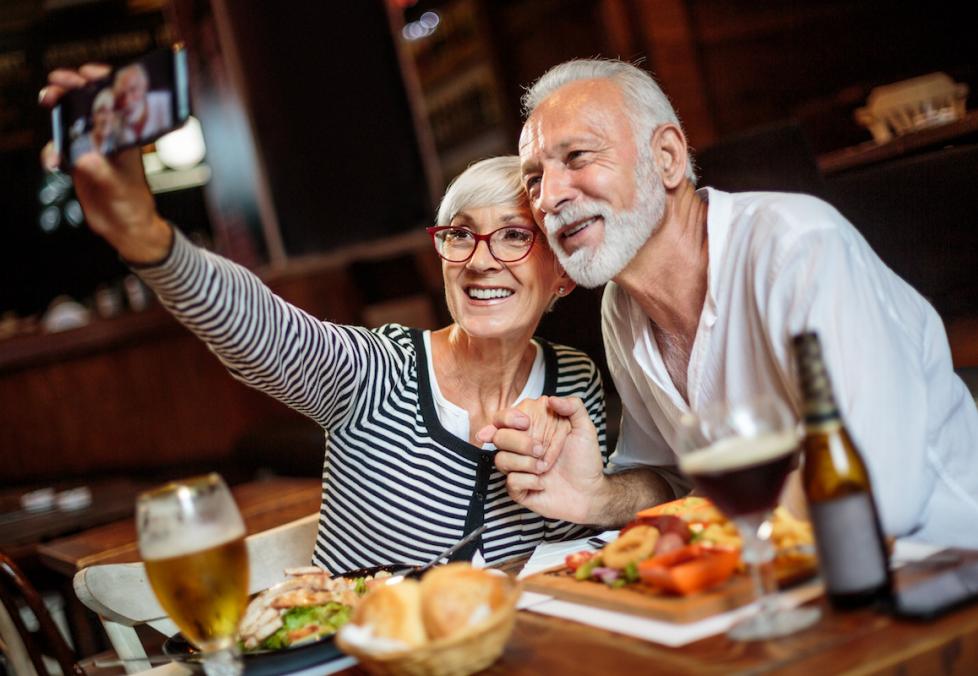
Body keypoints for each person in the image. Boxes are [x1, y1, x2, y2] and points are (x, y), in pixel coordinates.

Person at [40, 65, 607, 573]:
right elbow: (262, 329)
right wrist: (147, 237)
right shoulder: (376, 372)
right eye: (460, 234)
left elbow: (595, 535)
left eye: (513, 236)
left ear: (561, 271)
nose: (479, 260)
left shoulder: (576, 382)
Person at [481, 58, 978, 548]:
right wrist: (598, 497)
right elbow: (677, 481)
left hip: (940, 566)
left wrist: (709, 524)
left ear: (668, 158)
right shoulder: (621, 307)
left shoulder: (798, 248)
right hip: (790, 588)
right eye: (534, 179)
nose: (548, 197)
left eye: (577, 157)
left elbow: (876, 495)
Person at [113, 62, 173, 145]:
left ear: (145, 86)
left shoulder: (166, 102)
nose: (127, 100)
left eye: (133, 90)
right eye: (122, 94)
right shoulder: (117, 123)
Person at [69, 87, 117, 164]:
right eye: (102, 112)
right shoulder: (78, 147)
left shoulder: (117, 144)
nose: (106, 119)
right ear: (93, 117)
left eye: (111, 112)